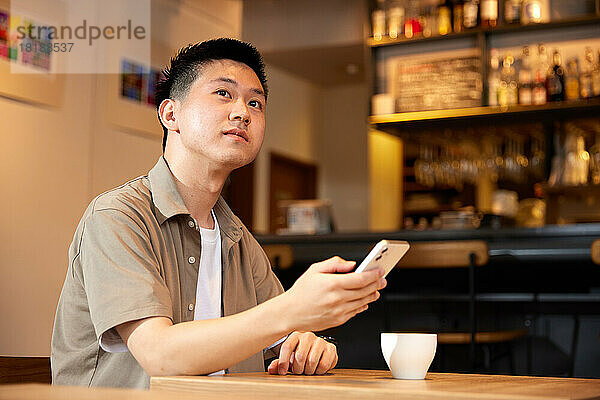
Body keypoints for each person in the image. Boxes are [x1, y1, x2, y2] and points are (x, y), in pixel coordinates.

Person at [51, 38, 386, 389]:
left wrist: (309, 346)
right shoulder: (117, 217)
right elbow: (159, 355)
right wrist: (291, 309)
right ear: (170, 114)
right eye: (223, 94)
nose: (243, 112)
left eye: (255, 103)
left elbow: (284, 337)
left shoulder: (239, 240)